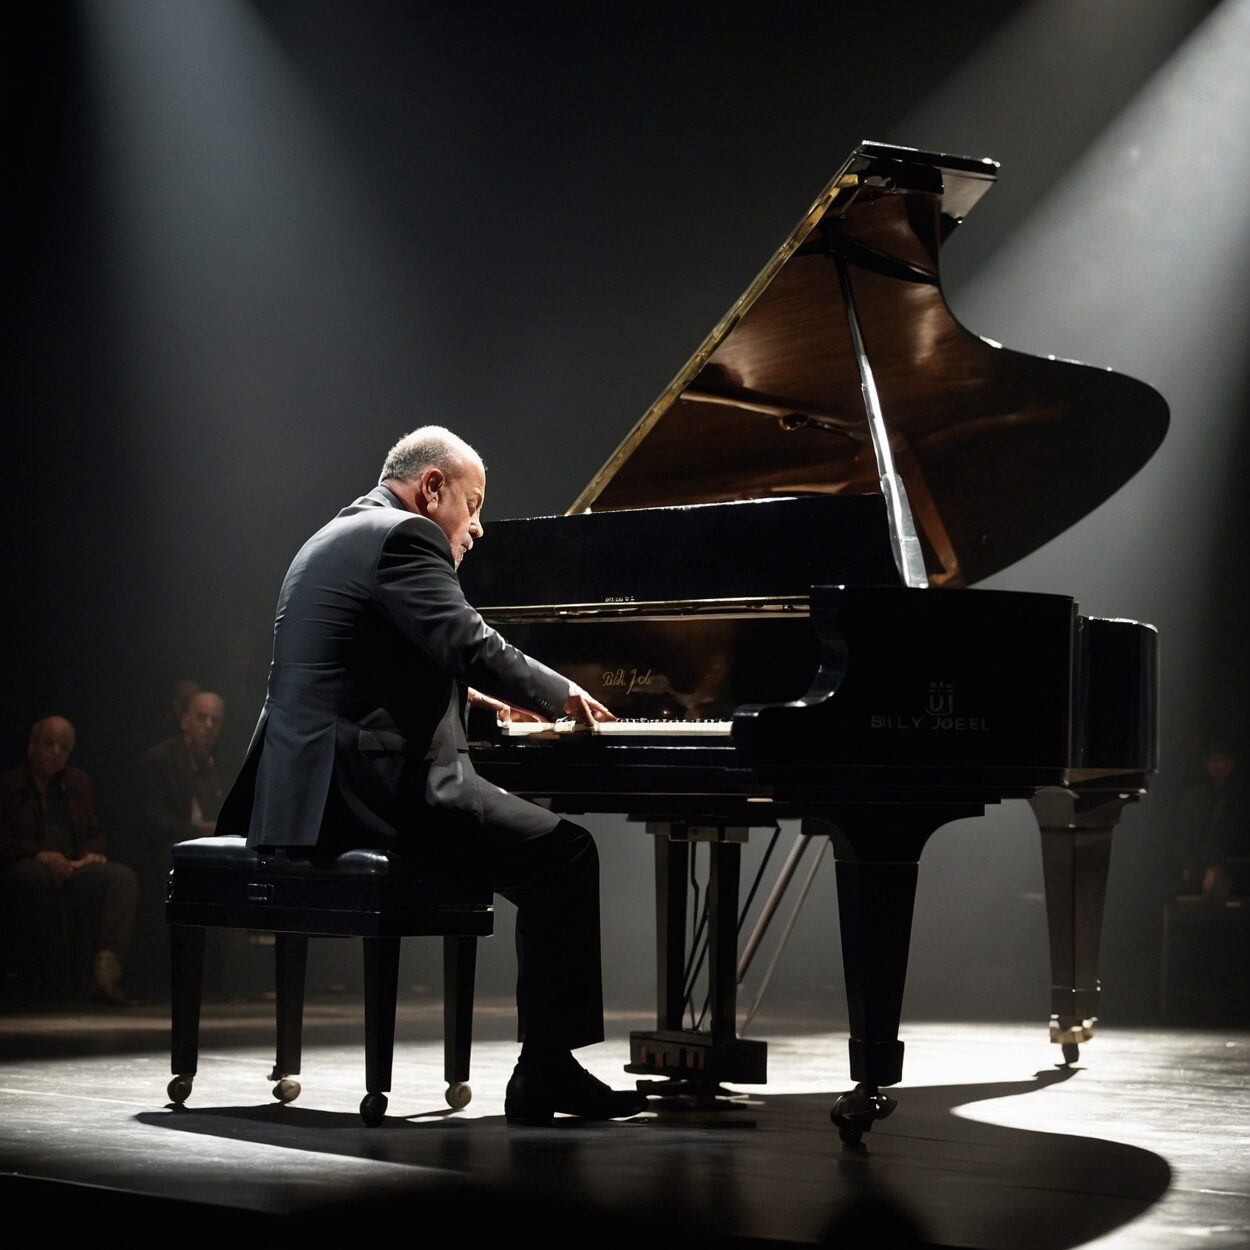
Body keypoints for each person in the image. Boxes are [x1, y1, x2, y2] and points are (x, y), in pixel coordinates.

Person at [217, 426, 647, 1124]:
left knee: (538, 848)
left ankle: (547, 1063)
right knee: (565, 854)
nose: (476, 528)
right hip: (374, 791)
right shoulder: (407, 537)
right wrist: (557, 691)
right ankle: (545, 1070)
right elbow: (467, 639)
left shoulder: (332, 536)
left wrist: (480, 703)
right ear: (432, 488)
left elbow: (367, 666)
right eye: (472, 505)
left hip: (304, 794)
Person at [0, 716, 138, 1004]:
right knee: (33, 878)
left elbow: (94, 831)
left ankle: (106, 973)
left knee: (121, 878)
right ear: (31, 747)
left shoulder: (77, 782)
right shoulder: (10, 785)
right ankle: (42, 980)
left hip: (73, 867)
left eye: (63, 747)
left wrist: (89, 855)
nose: (55, 752)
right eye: (49, 744)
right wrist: (40, 855)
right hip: (29, 861)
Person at [138, 690, 228, 852]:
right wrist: (199, 832)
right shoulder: (159, 759)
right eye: (202, 717)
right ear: (185, 721)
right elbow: (154, 819)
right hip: (171, 851)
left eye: (215, 720)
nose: (209, 725)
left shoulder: (225, 762)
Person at [1177, 733, 1250, 902]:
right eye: (1212, 761)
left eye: (1220, 760)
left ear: (1230, 764)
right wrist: (1195, 870)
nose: (1215, 766)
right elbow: (1184, 840)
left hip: (1230, 873)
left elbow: (1240, 842)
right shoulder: (1194, 797)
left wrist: (1224, 870)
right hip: (1199, 871)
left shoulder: (1241, 799)